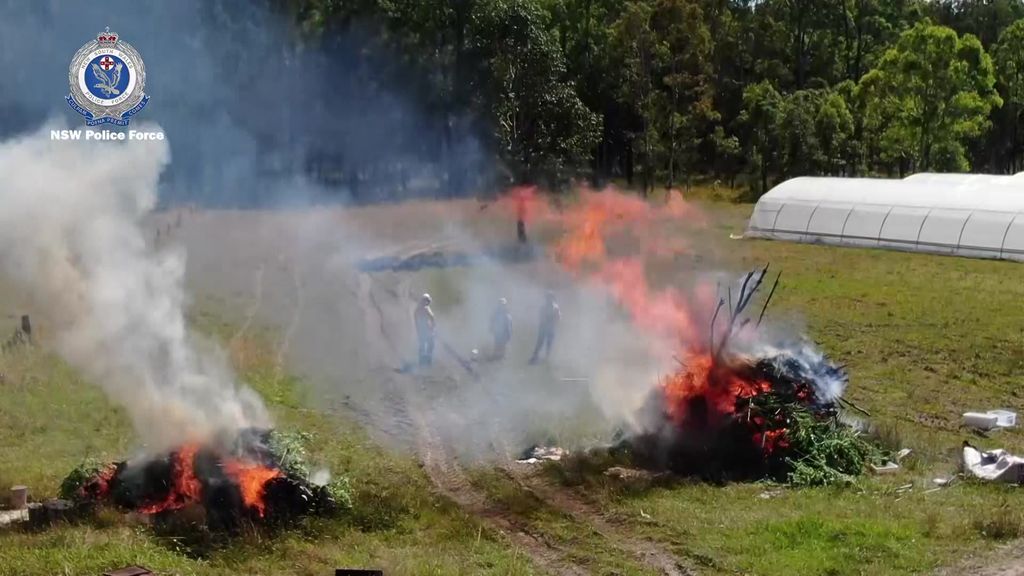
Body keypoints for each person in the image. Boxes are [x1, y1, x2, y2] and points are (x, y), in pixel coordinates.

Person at [529, 291, 560, 364]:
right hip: (543, 327)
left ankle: (547, 356)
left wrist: (553, 321)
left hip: (551, 328)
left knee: (549, 343)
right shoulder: (543, 307)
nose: (548, 299)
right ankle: (535, 355)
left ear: (552, 298)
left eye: (550, 298)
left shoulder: (555, 308)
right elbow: (541, 317)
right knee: (540, 342)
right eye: (547, 298)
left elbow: (558, 318)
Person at [414, 293, 436, 366]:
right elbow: (432, 318)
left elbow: (416, 320)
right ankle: (427, 361)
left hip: (421, 330)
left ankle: (422, 362)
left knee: (423, 345)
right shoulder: (426, 309)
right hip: (426, 329)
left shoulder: (417, 309)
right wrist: (432, 327)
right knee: (430, 345)